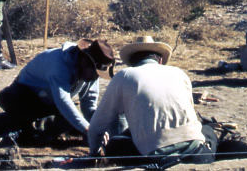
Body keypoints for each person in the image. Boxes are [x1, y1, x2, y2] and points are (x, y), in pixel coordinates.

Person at [87, 36, 218, 165]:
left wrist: (94, 153)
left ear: (132, 62)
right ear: (160, 60)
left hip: (154, 155)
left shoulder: (125, 75)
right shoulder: (179, 73)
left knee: (116, 144)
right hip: (197, 151)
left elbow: (97, 125)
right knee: (207, 130)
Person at [0, 39, 115, 139]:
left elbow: (89, 106)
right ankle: (22, 132)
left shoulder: (92, 75)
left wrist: (97, 128)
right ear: (85, 61)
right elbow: (63, 101)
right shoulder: (59, 64)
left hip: (49, 102)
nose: (96, 77)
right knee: (64, 122)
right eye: (94, 72)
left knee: (70, 122)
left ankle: (33, 126)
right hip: (23, 95)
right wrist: (88, 129)